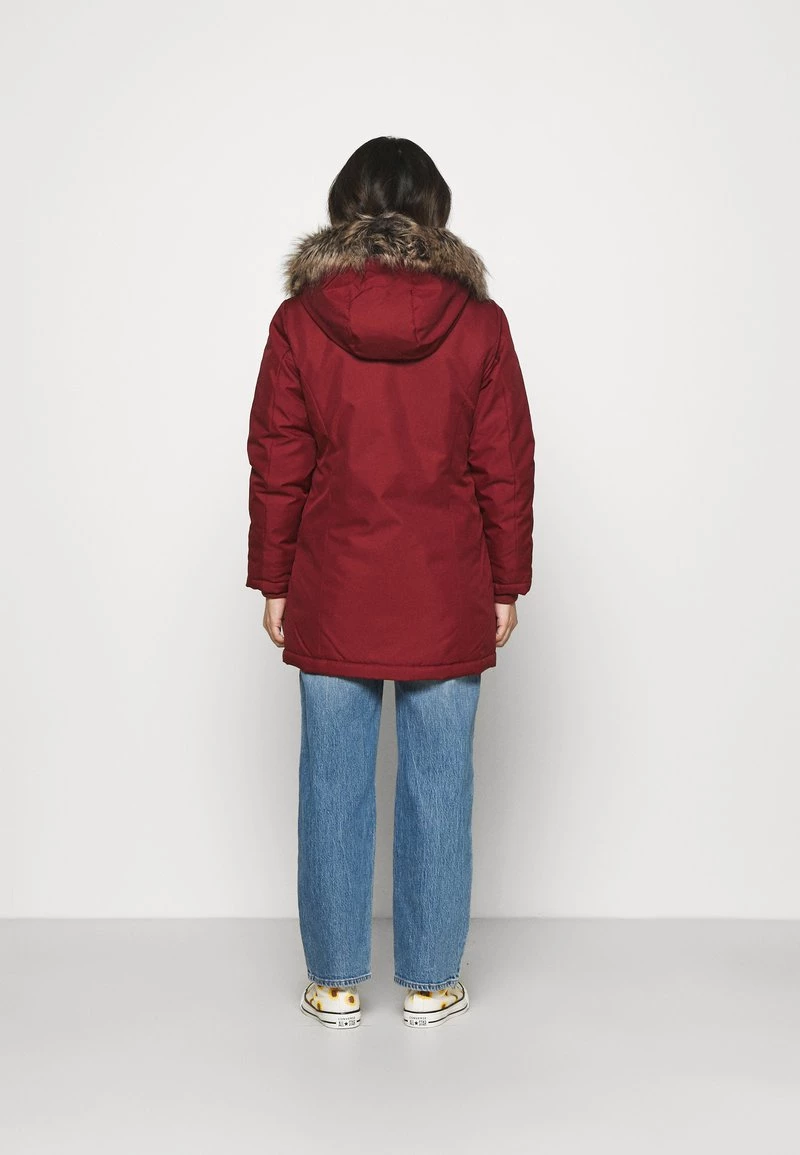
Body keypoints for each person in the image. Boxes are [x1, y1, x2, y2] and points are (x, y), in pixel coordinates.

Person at [246, 136, 535, 1029]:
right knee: (439, 787)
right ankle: (431, 981)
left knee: (332, 787)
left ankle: (335, 982)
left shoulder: (301, 321)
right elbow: (505, 465)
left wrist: (275, 580)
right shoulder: (479, 323)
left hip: (333, 583)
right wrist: (506, 583)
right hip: (446, 587)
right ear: (433, 213)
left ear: (345, 211)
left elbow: (278, 461)